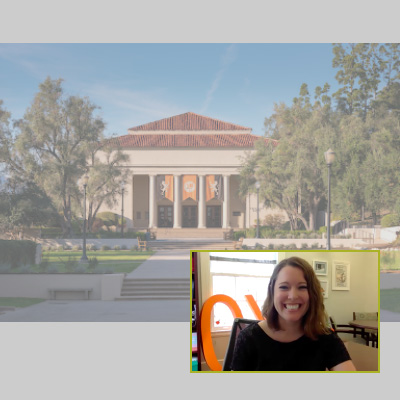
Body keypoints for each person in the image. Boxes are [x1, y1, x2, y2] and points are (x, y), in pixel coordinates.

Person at [230, 256, 356, 371]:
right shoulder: (248, 338)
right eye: (284, 287)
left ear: (312, 294)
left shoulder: (326, 338)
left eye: (302, 287)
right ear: (272, 292)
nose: (293, 296)